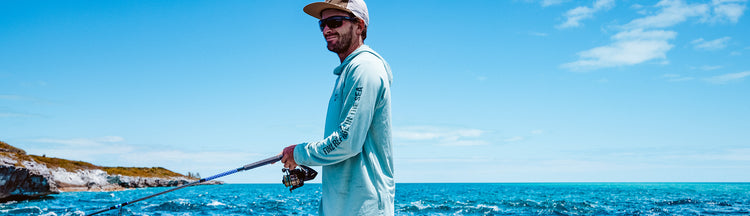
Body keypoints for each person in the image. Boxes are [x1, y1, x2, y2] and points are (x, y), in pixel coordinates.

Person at [279, 0, 394, 215]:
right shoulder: (348, 72)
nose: (326, 30)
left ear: (359, 26)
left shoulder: (365, 68)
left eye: (335, 22)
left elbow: (347, 141)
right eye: (322, 25)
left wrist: (299, 153)